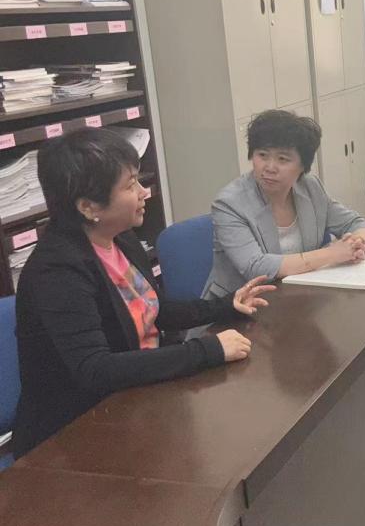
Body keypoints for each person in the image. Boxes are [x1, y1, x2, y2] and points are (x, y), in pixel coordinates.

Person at [12, 130, 272, 458]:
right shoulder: (57, 270)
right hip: (74, 437)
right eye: (130, 185)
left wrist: (224, 305)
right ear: (88, 207)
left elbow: (154, 309)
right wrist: (206, 351)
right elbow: (96, 369)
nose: (144, 192)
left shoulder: (119, 238)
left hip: (136, 402)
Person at [204, 110, 365, 298]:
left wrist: (358, 245)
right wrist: (333, 254)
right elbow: (256, 267)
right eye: (262, 155)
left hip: (297, 296)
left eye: (282, 159)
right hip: (240, 305)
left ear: (303, 166)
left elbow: (356, 223)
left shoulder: (310, 187)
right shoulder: (230, 203)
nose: (270, 167)